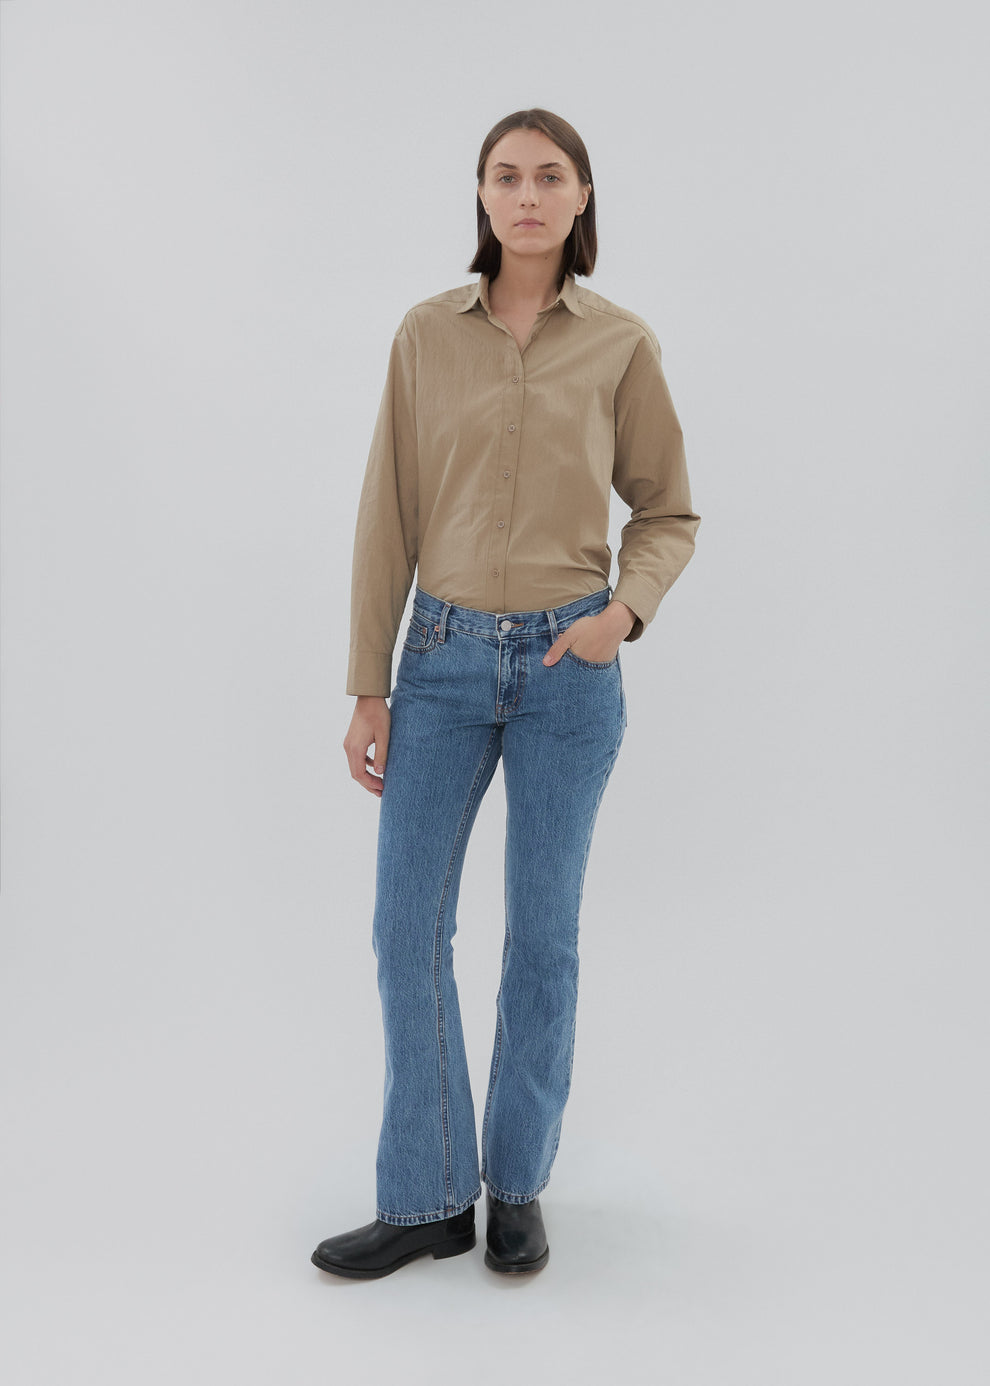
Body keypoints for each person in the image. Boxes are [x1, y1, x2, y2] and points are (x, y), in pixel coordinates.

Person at [311, 107, 700, 1280]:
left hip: (565, 671)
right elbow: (390, 512)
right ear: (480, 198)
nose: (525, 194)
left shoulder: (622, 345)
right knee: (404, 931)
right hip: (434, 664)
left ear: (582, 200)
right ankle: (427, 1195)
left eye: (549, 176)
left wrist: (619, 614)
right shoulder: (426, 337)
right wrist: (366, 685)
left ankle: (516, 1187)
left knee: (544, 937)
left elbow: (668, 511)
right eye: (504, 175)